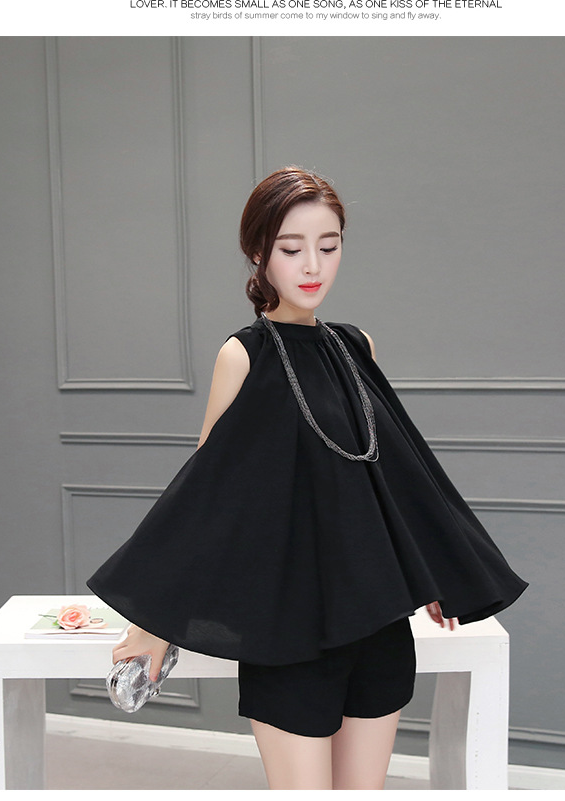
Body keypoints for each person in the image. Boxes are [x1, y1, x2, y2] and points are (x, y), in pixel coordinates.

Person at [87, 166, 527, 790]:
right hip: (289, 632)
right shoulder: (244, 355)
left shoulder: (355, 346)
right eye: (292, 249)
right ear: (259, 253)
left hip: (378, 624)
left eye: (329, 245)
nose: (313, 265)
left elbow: (399, 476)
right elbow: (207, 501)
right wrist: (152, 621)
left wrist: (435, 571)